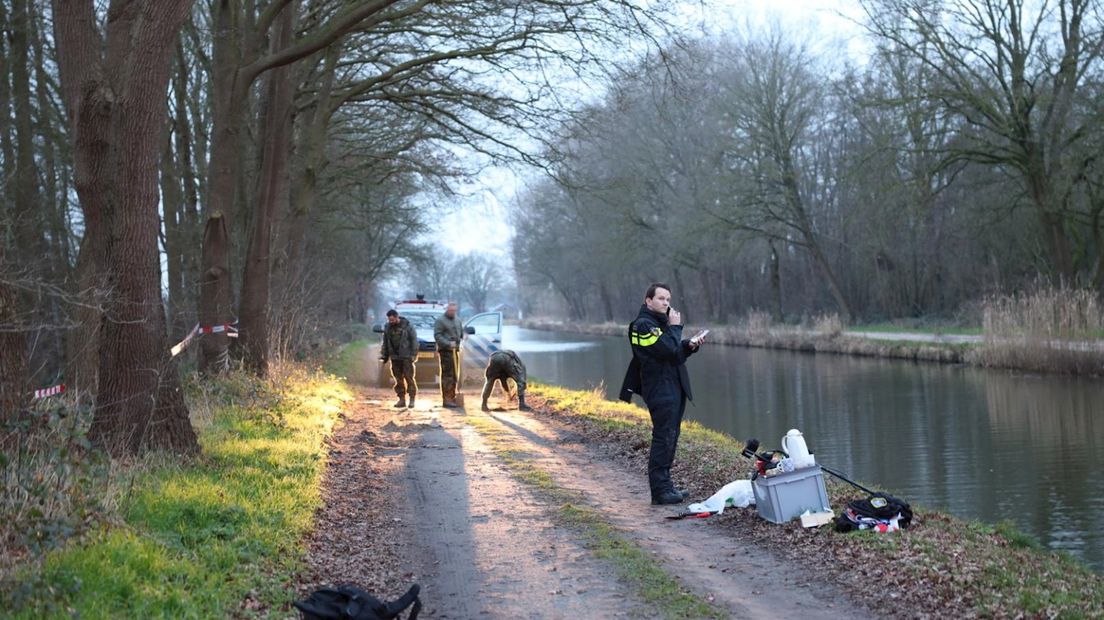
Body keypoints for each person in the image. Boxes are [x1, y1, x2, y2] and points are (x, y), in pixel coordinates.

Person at [619, 282, 706, 505]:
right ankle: (659, 492)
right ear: (648, 301)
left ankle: (666, 485)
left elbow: (674, 355)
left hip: (673, 387)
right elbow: (666, 349)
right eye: (661, 299)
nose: (666, 303)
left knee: (671, 437)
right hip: (659, 389)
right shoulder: (642, 325)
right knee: (663, 438)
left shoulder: (660, 324)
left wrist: (690, 345)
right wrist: (676, 328)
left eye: (668, 299)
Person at [380, 309, 419, 408]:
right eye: (389, 320)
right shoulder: (387, 328)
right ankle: (401, 399)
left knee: (409, 378)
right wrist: (384, 355)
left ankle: (412, 399)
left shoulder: (407, 326)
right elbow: (385, 342)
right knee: (398, 379)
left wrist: (414, 354)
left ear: (397, 317)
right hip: (394, 357)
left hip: (406, 356)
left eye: (392, 320)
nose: (391, 322)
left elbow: (414, 341)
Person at [433, 301, 464, 409]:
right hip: (445, 352)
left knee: (455, 375)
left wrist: (463, 336)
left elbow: (460, 333)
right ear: (447, 309)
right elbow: (437, 335)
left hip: (455, 351)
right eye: (451, 310)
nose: (452, 312)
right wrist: (447, 343)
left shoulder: (457, 320)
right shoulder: (440, 321)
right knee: (448, 375)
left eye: (454, 310)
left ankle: (453, 396)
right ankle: (446, 399)